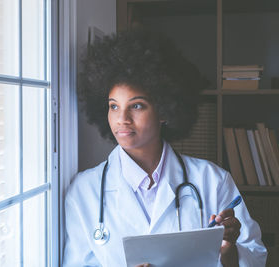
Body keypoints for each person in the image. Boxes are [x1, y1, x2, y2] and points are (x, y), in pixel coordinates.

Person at [63, 29, 267, 267]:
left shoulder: (213, 181)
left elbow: (255, 258)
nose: (122, 119)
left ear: (164, 111)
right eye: (114, 106)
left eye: (137, 106)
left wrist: (228, 250)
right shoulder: (84, 191)